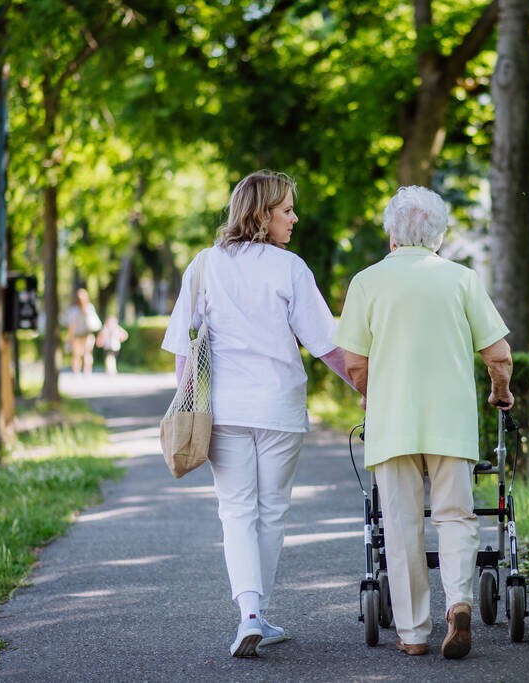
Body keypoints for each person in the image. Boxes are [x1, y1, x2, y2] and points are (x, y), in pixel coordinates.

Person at [161, 170, 352, 658]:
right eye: (286, 209)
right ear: (263, 214)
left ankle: (249, 614)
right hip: (279, 409)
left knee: (236, 511)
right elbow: (327, 346)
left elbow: (184, 348)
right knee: (271, 512)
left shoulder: (204, 265)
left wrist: (185, 401)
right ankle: (257, 615)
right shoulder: (289, 268)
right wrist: (367, 388)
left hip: (224, 410)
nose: (293, 218)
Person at [334, 186, 514, 659]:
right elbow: (498, 354)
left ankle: (413, 633)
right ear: (438, 234)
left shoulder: (367, 282)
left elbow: (354, 363)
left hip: (393, 424)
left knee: (400, 523)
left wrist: (375, 396)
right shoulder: (461, 280)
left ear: (392, 231)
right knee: (456, 516)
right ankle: (458, 602)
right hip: (450, 420)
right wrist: (501, 393)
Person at [66, 288, 100, 375]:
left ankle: (78, 372)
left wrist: (69, 338)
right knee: (86, 354)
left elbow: (71, 326)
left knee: (78, 355)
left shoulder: (74, 310)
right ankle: (86, 371)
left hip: (79, 335)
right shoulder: (89, 308)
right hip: (86, 335)